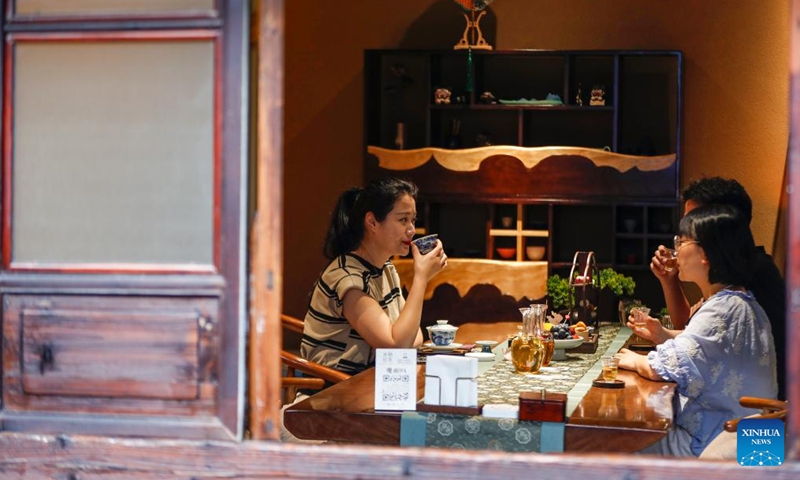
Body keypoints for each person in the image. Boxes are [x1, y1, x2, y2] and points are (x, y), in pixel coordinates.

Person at [617, 204, 777, 457]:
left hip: (721, 439)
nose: (675, 251)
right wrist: (663, 335)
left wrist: (631, 360)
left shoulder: (723, 308)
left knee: (618, 446)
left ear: (705, 253)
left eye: (681, 242)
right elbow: (712, 347)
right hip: (752, 436)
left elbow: (661, 370)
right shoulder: (741, 301)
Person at [649, 176, 786, 399]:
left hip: (756, 421)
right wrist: (669, 280)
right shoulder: (729, 282)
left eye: (694, 222)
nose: (682, 236)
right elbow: (693, 330)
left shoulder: (752, 277)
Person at [300, 177, 447, 376]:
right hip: (332, 391)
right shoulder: (348, 278)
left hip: (372, 383)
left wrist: (401, 338)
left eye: (413, 220)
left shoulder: (385, 268)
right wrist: (421, 278)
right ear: (372, 222)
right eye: (403, 220)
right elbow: (396, 347)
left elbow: (414, 337)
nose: (411, 229)